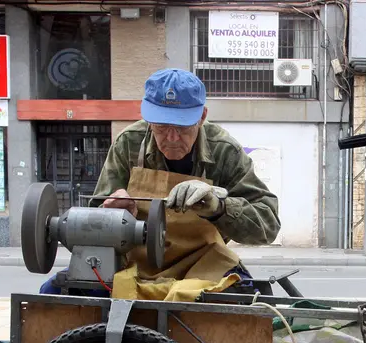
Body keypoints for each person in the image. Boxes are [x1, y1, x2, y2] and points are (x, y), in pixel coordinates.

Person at [39, 69, 279, 296]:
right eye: (162, 127)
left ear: (202, 116)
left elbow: (268, 225)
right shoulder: (128, 144)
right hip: (133, 264)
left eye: (182, 127)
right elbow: (90, 229)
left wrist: (219, 207)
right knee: (54, 293)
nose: (172, 138)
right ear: (148, 118)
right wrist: (109, 213)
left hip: (203, 264)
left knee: (247, 303)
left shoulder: (225, 151)